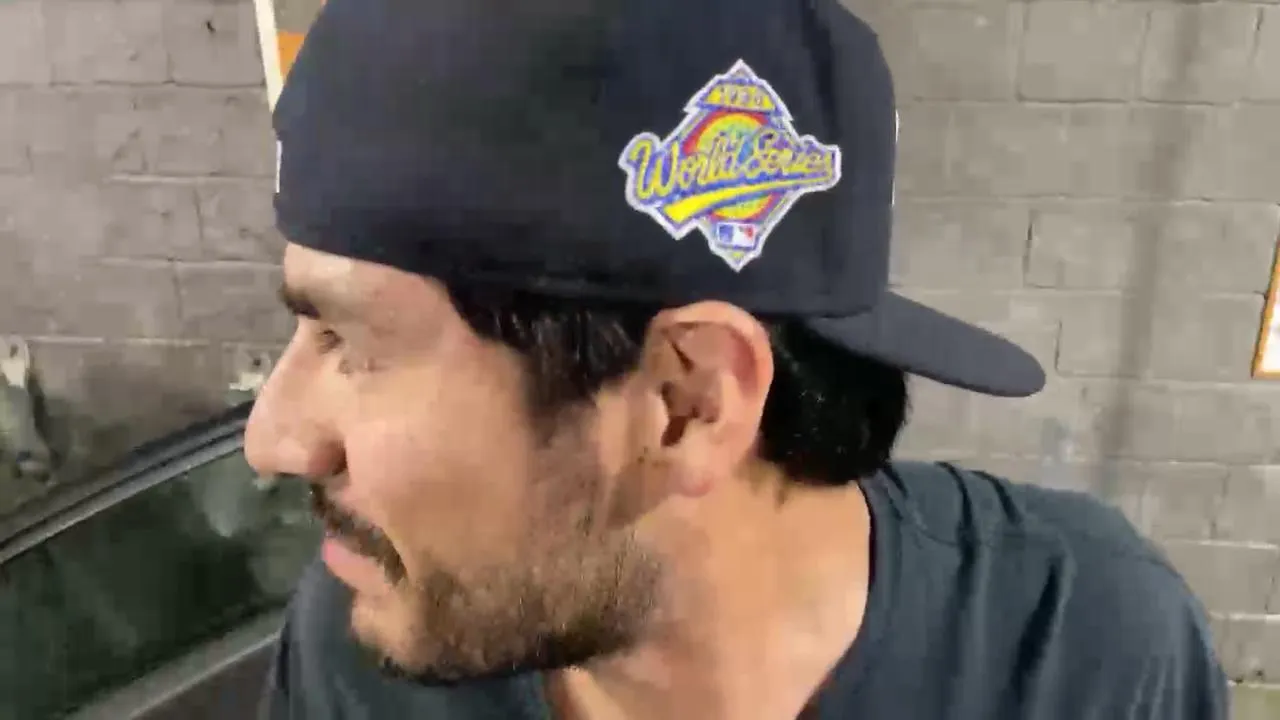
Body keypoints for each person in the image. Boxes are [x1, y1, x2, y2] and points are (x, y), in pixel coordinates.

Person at [244, 0, 1230, 716]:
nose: (272, 438)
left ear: (689, 402)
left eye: (351, 343)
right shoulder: (367, 641)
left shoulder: (1080, 656)